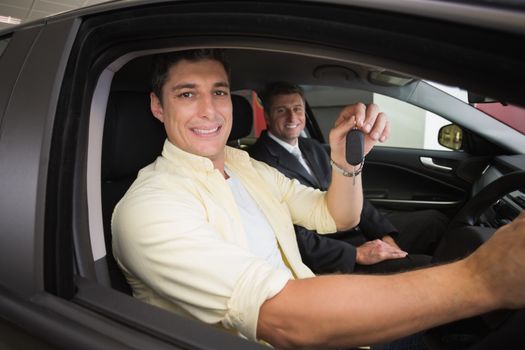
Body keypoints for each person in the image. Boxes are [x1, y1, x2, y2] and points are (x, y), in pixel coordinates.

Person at [111, 49, 525, 350]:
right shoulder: (149, 208)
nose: (209, 110)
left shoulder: (246, 167)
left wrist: (346, 164)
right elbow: (284, 319)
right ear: (157, 106)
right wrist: (481, 280)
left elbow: (337, 216)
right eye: (186, 94)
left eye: (219, 92)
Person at [249, 81, 448, 273]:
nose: (292, 117)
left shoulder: (313, 148)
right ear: (267, 116)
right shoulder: (257, 162)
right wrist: (355, 253)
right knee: (428, 266)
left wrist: (384, 235)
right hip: (333, 254)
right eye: (281, 110)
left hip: (357, 231)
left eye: (298, 108)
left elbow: (350, 193)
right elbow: (287, 233)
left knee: (434, 222)